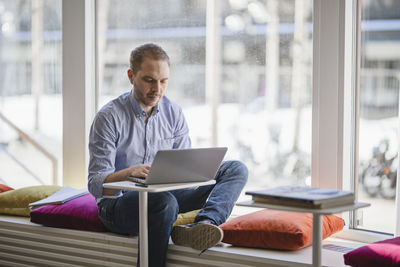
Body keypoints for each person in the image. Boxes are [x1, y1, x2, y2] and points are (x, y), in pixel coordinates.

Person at [88, 43, 248, 267]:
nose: (157, 89)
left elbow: (184, 168)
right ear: (131, 76)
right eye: (149, 80)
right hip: (117, 207)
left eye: (164, 81)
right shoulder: (109, 117)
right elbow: (95, 184)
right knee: (163, 202)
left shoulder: (174, 112)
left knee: (235, 168)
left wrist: (195, 171)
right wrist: (128, 173)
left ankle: (204, 223)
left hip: (168, 196)